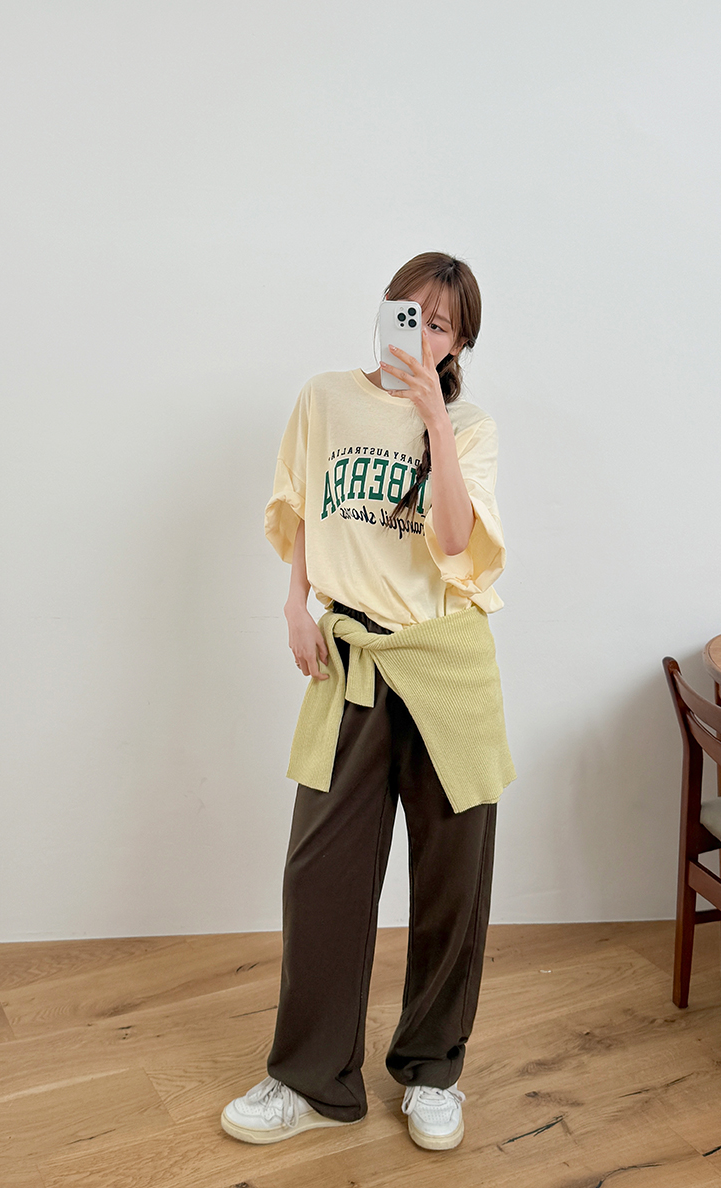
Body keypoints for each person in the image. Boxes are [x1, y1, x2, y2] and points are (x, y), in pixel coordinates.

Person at [221, 252, 515, 1151]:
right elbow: (302, 510)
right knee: (321, 876)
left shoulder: (469, 427)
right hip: (350, 659)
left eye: (440, 324)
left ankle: (433, 1072)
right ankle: (308, 1078)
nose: (420, 333)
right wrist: (295, 605)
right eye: (408, 312)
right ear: (384, 312)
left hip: (446, 666)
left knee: (452, 880)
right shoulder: (323, 399)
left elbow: (456, 541)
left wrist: (433, 419)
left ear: (459, 343)